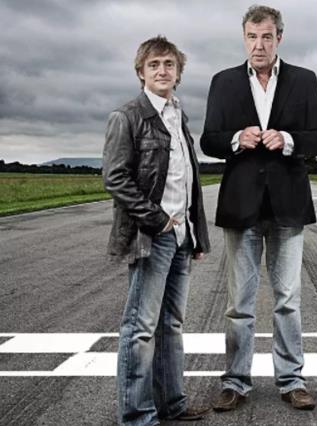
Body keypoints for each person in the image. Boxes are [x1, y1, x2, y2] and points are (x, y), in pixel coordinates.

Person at [201, 4, 317, 412]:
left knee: (288, 298)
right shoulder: (223, 81)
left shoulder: (304, 80)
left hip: (287, 204)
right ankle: (235, 381)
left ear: (279, 38)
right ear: (244, 38)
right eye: (252, 37)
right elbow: (208, 140)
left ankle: (292, 380)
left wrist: (289, 140)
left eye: (267, 37)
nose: (259, 45)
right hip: (241, 204)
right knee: (239, 303)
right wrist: (236, 138)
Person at [102, 35, 210, 425]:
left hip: (181, 236)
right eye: (154, 65)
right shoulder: (128, 116)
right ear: (140, 72)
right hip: (153, 236)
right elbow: (115, 178)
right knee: (140, 329)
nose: (162, 71)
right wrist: (157, 219)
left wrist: (196, 235)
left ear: (178, 72)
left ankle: (171, 404)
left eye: (169, 64)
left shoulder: (178, 115)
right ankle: (136, 415)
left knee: (171, 326)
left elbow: (188, 180)